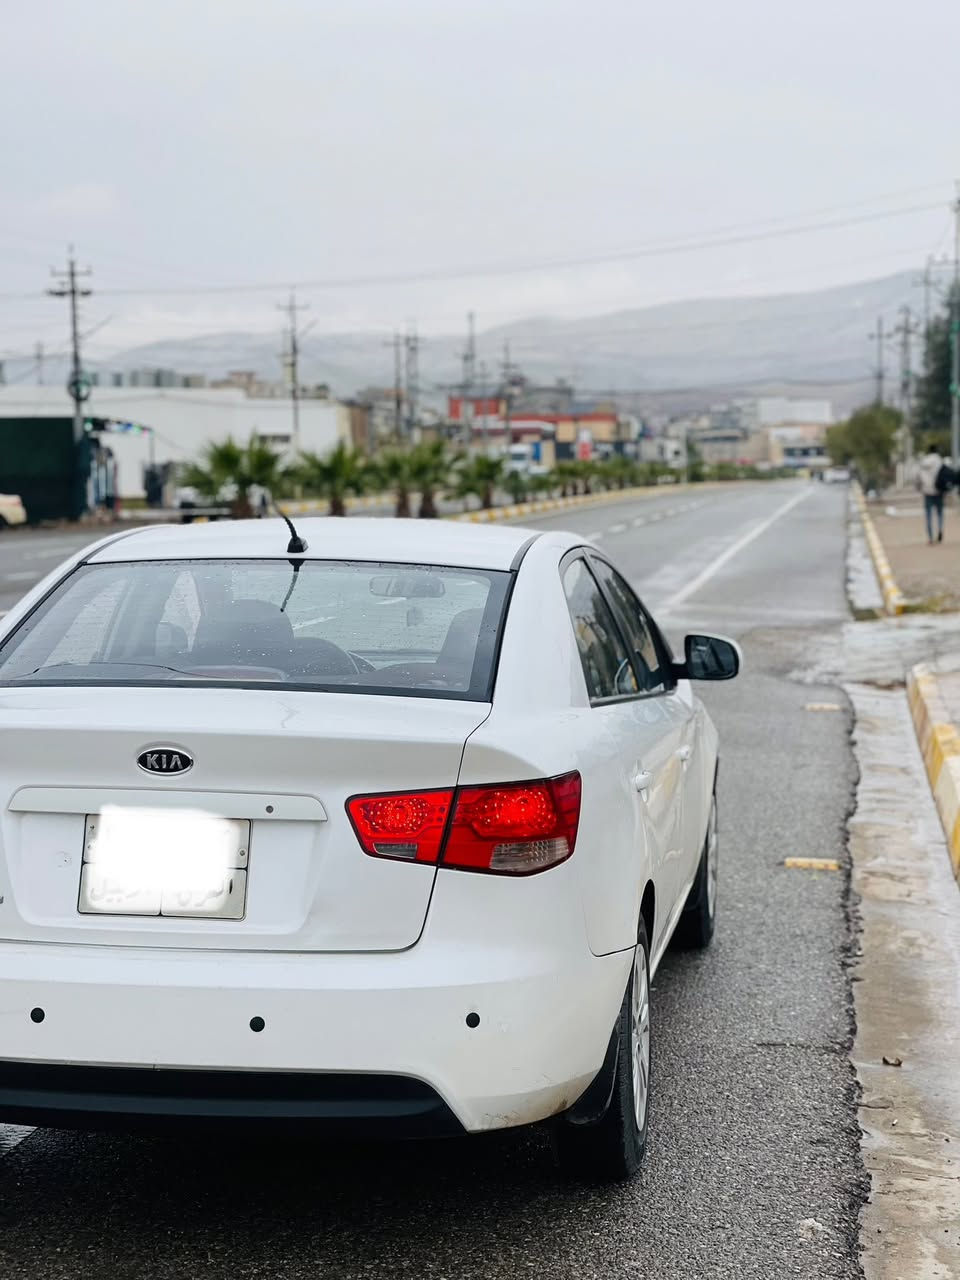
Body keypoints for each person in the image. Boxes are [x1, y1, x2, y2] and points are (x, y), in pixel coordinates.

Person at [918, 446, 954, 544]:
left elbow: (919, 476)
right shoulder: (940, 461)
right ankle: (940, 529)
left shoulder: (924, 462)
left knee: (928, 515)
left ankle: (930, 537)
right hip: (938, 490)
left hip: (927, 491)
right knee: (940, 514)